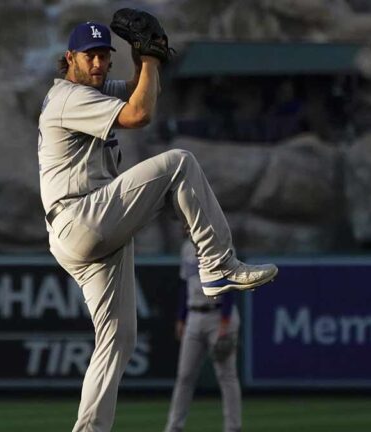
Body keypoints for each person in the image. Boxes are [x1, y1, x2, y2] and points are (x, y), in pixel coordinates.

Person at [37, 19, 278, 432]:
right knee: (179, 162)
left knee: (118, 340)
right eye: (88, 55)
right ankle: (218, 266)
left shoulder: (94, 91)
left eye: (103, 55)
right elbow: (140, 115)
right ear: (69, 59)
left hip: (90, 230)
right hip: (81, 216)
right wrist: (148, 57)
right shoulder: (68, 97)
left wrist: (147, 63)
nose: (97, 63)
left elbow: (141, 93)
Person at [164, 240, 242, 432]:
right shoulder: (186, 248)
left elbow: (230, 284)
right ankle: (174, 427)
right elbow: (185, 284)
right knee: (184, 376)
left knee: (226, 376)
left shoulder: (223, 244)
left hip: (218, 316)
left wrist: (225, 320)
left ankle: (233, 427)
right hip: (194, 316)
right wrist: (181, 317)